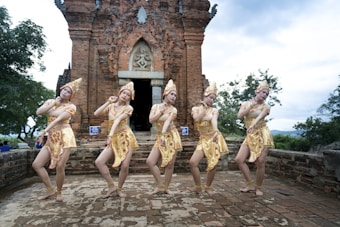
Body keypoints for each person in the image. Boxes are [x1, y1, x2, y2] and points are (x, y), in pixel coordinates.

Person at [32, 77, 82, 202]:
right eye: (64, 90)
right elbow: (39, 112)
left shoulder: (71, 106)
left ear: (71, 95)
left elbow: (59, 118)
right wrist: (54, 104)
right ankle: (50, 189)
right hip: (52, 137)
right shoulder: (51, 101)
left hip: (65, 136)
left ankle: (59, 192)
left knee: (60, 166)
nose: (65, 92)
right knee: (37, 164)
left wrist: (44, 130)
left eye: (68, 92)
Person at [94, 81, 138, 198]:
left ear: (130, 98)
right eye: (123, 92)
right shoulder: (111, 106)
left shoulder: (128, 108)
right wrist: (108, 102)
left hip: (125, 137)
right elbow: (96, 113)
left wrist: (109, 136)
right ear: (119, 93)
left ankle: (119, 188)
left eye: (128, 94)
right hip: (113, 138)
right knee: (99, 162)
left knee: (124, 165)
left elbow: (118, 120)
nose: (124, 95)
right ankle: (111, 186)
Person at [235, 80, 275, 196]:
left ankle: (258, 187)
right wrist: (251, 106)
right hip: (250, 135)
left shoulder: (266, 107)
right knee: (239, 159)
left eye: (267, 94)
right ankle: (249, 183)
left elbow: (261, 116)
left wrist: (252, 124)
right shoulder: (246, 104)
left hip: (262, 134)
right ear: (257, 91)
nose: (264, 95)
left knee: (260, 162)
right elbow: (240, 115)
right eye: (263, 92)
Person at [188, 82, 229, 195]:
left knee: (213, 163)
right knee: (193, 162)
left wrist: (216, 131)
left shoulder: (214, 110)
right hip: (203, 139)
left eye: (214, 99)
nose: (212, 100)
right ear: (205, 95)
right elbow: (196, 119)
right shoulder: (195, 109)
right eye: (210, 97)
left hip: (213, 137)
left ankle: (208, 187)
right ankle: (198, 186)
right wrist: (204, 108)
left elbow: (214, 121)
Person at [146, 79, 182, 195]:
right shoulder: (156, 106)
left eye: (175, 95)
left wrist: (163, 134)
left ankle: (166, 187)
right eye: (172, 94)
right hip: (160, 136)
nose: (174, 97)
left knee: (170, 164)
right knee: (150, 161)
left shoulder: (173, 109)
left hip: (171, 135)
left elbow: (167, 122)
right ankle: (160, 184)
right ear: (165, 94)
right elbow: (151, 120)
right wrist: (160, 112)